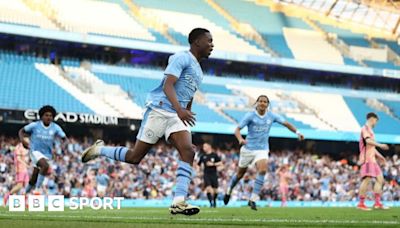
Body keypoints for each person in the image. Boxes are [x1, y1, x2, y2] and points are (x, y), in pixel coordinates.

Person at [81, 28, 214, 215]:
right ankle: (99, 149)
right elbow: (168, 85)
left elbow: (188, 93)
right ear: (197, 42)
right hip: (159, 110)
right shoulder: (181, 58)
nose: (212, 45)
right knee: (135, 157)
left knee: (189, 151)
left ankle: (179, 201)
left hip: (176, 115)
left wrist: (187, 111)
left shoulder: (199, 71)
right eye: (209, 41)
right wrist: (179, 109)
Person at [223, 95, 304, 210]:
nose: (262, 103)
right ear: (257, 103)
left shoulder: (271, 115)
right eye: (260, 101)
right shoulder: (250, 115)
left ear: (267, 104)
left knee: (263, 169)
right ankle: (229, 190)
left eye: (265, 102)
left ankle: (253, 199)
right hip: (248, 149)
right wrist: (240, 139)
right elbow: (237, 130)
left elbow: (286, 123)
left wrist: (298, 132)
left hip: (262, 149)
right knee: (240, 174)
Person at [19, 105, 67, 194]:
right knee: (45, 166)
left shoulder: (55, 127)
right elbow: (21, 131)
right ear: (41, 116)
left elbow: (64, 138)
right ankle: (37, 190)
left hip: (47, 154)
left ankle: (24, 193)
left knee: (34, 177)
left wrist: (60, 147)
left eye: (50, 116)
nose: (48, 117)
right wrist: (23, 141)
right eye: (46, 115)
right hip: (35, 151)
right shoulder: (35, 125)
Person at [357, 112, 389, 211]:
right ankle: (361, 204)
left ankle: (377, 203)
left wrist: (380, 156)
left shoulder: (370, 130)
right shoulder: (365, 128)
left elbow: (371, 147)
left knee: (380, 179)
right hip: (367, 159)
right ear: (372, 119)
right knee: (367, 179)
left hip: (373, 159)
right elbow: (368, 141)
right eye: (376, 121)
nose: (376, 123)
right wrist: (380, 145)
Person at [3, 142, 29, 206]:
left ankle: (25, 203)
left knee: (27, 186)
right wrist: (25, 164)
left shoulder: (26, 146)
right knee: (19, 186)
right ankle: (7, 196)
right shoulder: (19, 147)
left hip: (25, 169)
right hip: (20, 169)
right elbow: (18, 159)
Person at [197, 142, 222, 208]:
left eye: (205, 146)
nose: (203, 148)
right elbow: (198, 165)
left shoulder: (214, 155)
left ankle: (214, 201)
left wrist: (213, 164)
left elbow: (220, 163)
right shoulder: (202, 156)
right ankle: (211, 203)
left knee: (215, 191)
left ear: (209, 147)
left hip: (214, 174)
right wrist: (198, 171)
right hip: (206, 174)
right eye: (203, 147)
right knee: (209, 189)